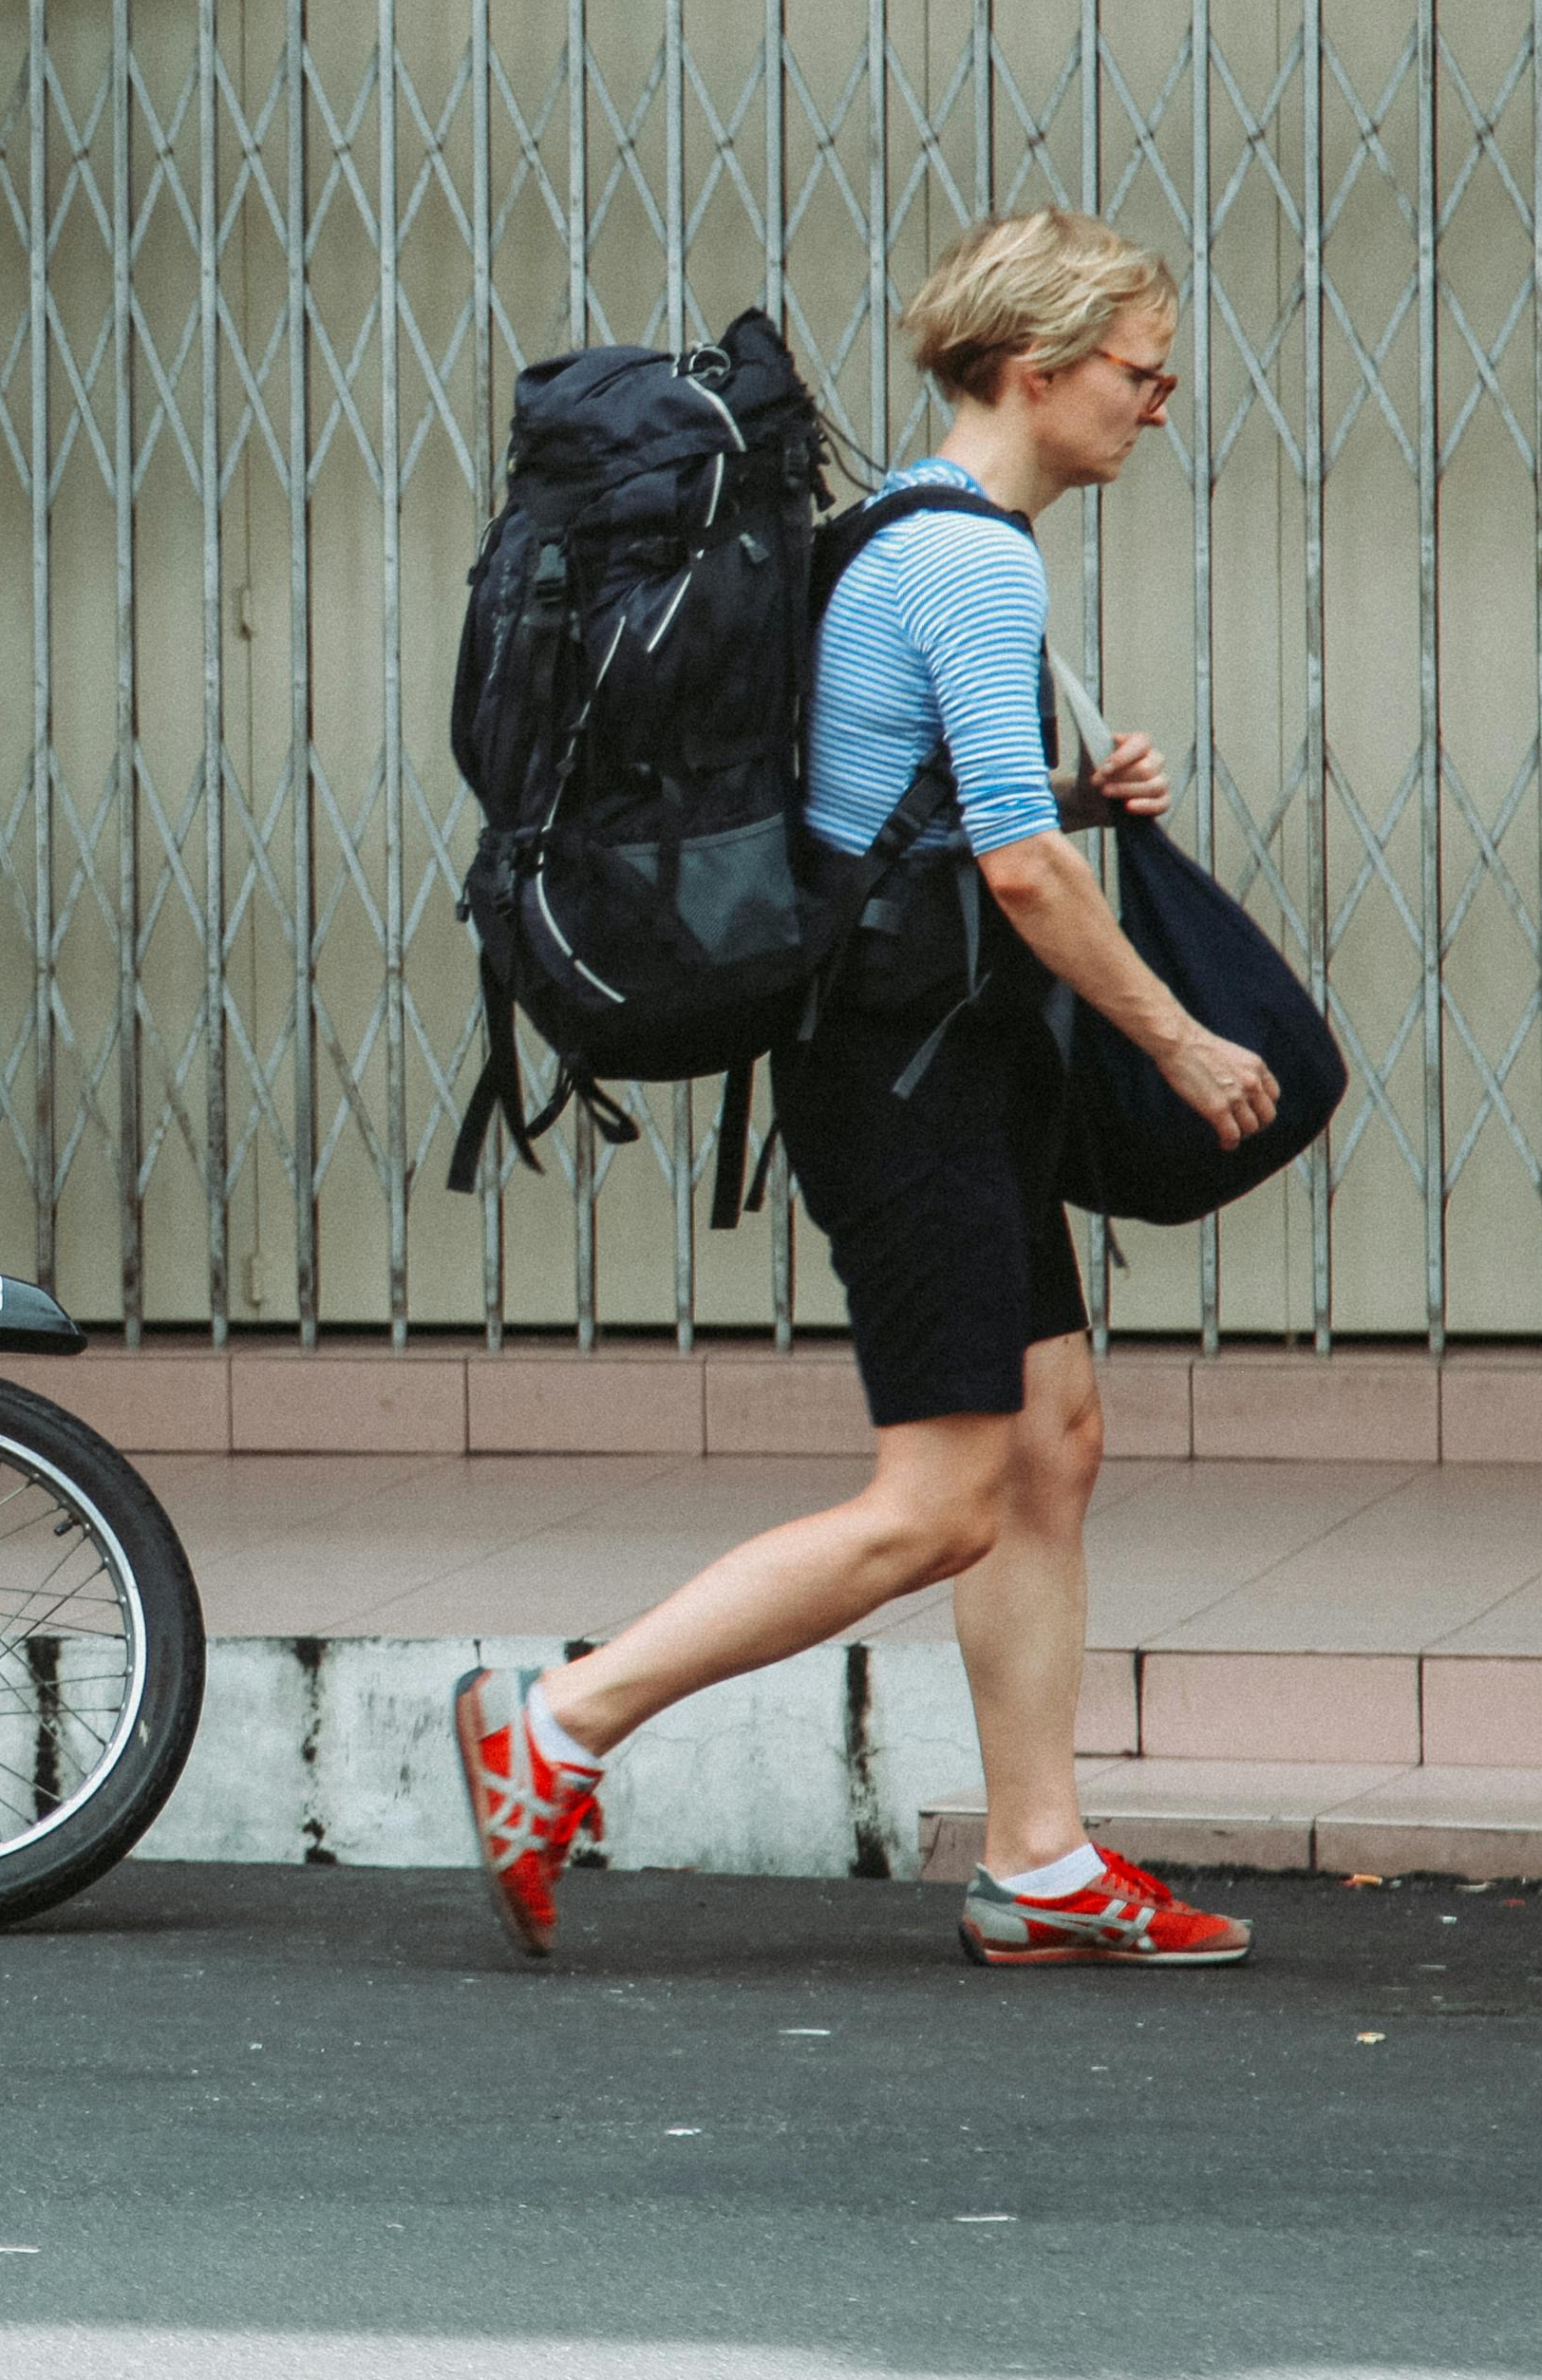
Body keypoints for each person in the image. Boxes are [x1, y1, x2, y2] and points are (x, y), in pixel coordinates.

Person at [451, 210, 1282, 1970]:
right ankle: (564, 1719)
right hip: (904, 1081)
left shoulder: (889, 533)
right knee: (941, 1497)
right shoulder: (970, 562)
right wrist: (1182, 1040)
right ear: (1037, 369)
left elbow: (890, 810)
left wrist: (1062, 794)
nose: (1161, 398)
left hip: (945, 1062)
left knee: (1053, 1446)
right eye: (1143, 370)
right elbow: (1014, 880)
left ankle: (1040, 1861)